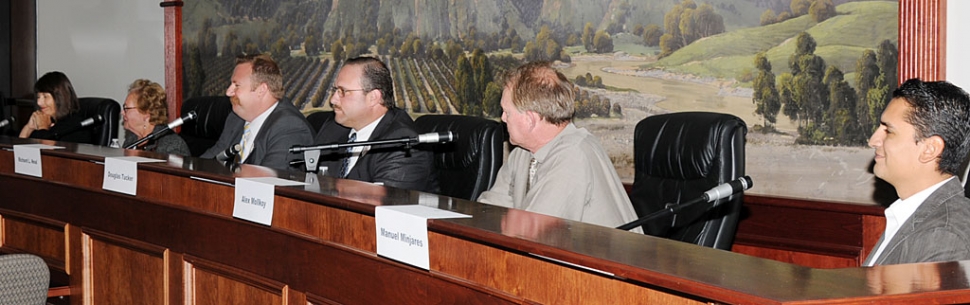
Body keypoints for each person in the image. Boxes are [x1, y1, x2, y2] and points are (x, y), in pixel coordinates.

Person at [476, 61, 639, 229]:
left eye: (507, 112)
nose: (502, 118)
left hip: (604, 255)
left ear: (530, 120)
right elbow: (488, 210)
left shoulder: (573, 155)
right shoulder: (522, 153)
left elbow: (535, 233)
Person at [863, 78, 970, 266]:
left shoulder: (943, 234)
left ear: (929, 149)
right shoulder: (920, 215)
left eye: (889, 131)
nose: (873, 140)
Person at [313, 56, 438, 193]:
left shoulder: (405, 146)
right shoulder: (333, 128)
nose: (333, 100)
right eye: (335, 90)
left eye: (343, 91)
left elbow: (381, 209)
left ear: (373, 97)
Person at [201, 54, 313, 171]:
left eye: (236, 85)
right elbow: (209, 160)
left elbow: (267, 183)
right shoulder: (236, 118)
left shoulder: (289, 128)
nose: (228, 92)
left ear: (261, 90)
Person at [19, 71, 95, 144]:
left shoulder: (75, 127)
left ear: (60, 98)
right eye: (38, 97)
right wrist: (29, 127)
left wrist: (43, 128)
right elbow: (19, 150)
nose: (39, 102)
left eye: (45, 97)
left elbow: (48, 153)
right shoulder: (46, 121)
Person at [121, 79, 190, 155]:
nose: (122, 112)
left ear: (146, 114)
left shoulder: (173, 145)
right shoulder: (132, 139)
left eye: (126, 108)